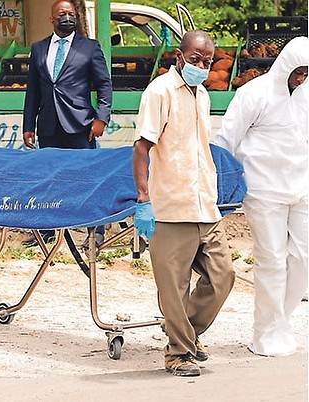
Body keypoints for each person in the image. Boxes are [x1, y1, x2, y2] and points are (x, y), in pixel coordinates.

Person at [132, 30, 235, 376]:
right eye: (195, 60)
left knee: (223, 275)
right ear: (179, 56)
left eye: (207, 62)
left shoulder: (203, 94)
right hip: (170, 206)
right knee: (173, 288)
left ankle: (185, 332)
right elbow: (141, 148)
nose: (201, 66)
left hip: (205, 203)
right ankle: (178, 354)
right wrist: (143, 200)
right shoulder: (159, 92)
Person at [212, 37, 309, 357]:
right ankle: (265, 332)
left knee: (303, 260)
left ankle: (279, 321)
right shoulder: (253, 93)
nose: (302, 78)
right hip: (263, 190)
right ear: (285, 66)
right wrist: (221, 185)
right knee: (270, 262)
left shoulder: (307, 96)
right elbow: (226, 139)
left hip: (302, 188)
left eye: (308, 72)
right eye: (298, 71)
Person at [22, 0, 112, 246]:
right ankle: (49, 229)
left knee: (89, 177)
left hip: (81, 125)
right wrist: (28, 124)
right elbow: (33, 91)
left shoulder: (89, 48)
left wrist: (101, 117)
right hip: (48, 125)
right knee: (50, 178)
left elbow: (104, 84)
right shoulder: (38, 48)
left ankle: (97, 231)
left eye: (71, 14)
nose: (68, 18)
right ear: (52, 19)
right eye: (62, 14)